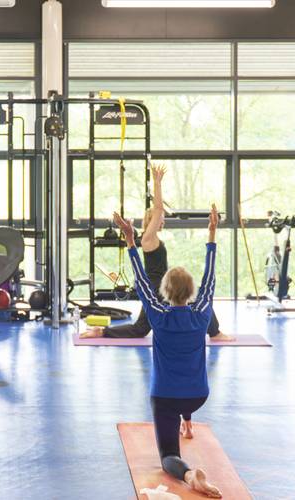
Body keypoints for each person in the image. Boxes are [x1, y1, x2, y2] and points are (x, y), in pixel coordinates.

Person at [113, 205, 222, 498]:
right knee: (187, 379)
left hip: (166, 398)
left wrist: (130, 240)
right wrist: (212, 232)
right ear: (192, 292)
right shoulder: (201, 313)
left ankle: (189, 475)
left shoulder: (158, 314)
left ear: (164, 290)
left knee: (168, 457)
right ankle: (188, 420)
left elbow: (140, 279)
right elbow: (210, 277)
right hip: (199, 395)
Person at [81, 164, 231, 341]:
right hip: (156, 288)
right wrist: (157, 183)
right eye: (161, 219)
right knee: (197, 298)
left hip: (158, 286)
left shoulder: (151, 239)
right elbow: (159, 208)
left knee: (141, 329)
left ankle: (215, 332)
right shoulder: (148, 238)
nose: (163, 221)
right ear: (152, 220)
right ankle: (215, 333)